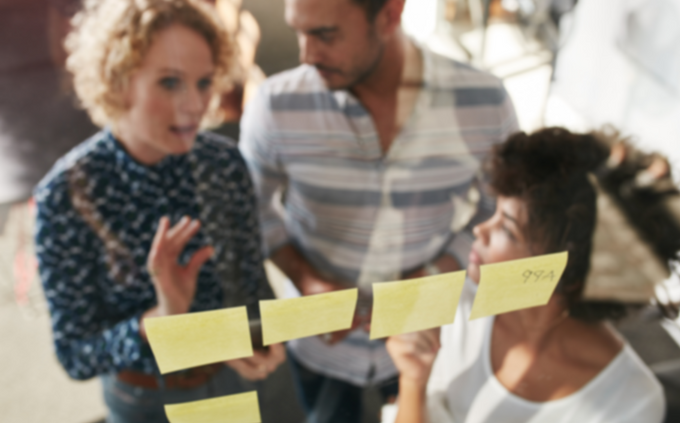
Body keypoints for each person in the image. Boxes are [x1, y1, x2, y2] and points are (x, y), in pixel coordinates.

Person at [238, 0, 518, 420]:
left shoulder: (486, 101)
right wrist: (304, 277)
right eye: (299, 31)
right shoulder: (275, 105)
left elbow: (501, 207)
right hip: (319, 342)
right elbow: (250, 212)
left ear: (390, 14)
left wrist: (438, 272)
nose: (306, 54)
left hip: (431, 336)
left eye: (325, 34)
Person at [34, 1, 285, 421]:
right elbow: (76, 355)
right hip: (149, 400)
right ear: (118, 82)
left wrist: (263, 336)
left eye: (205, 82)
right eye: (170, 83)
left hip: (240, 381)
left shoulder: (223, 165)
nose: (195, 104)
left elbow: (252, 285)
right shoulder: (66, 197)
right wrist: (161, 316)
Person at [386, 127, 680, 423]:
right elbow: (355, 313)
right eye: (496, 212)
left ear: (568, 272)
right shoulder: (455, 300)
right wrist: (412, 381)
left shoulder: (629, 403)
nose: (480, 230)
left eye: (507, 229)